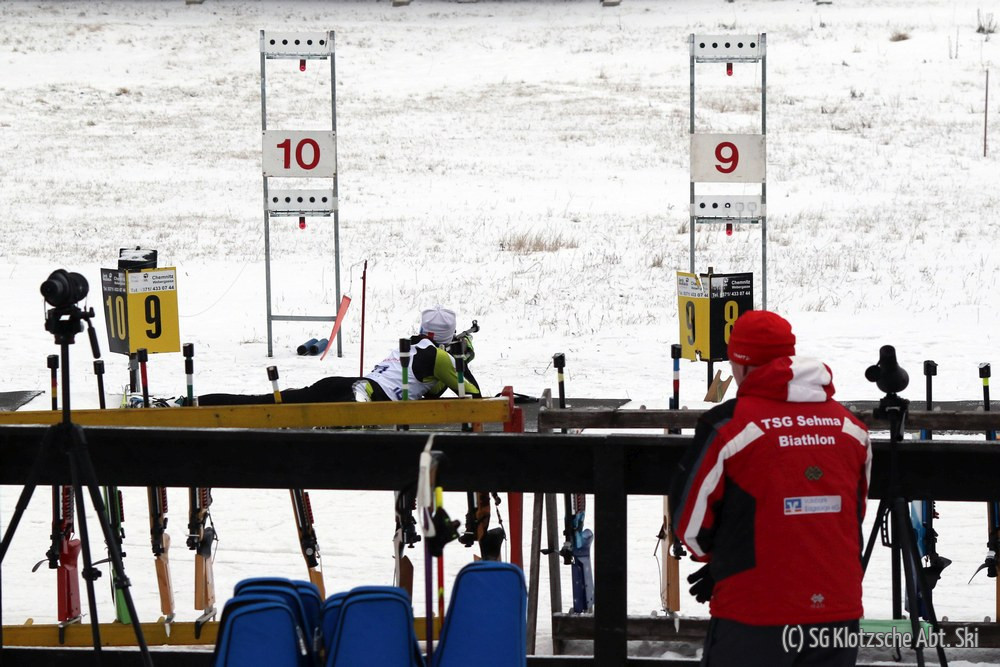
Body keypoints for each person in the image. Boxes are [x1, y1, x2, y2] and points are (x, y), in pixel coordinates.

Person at [669, 310, 871, 667]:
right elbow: (852, 514)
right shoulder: (850, 427)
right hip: (838, 612)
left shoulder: (728, 426)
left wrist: (724, 561)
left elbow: (690, 525)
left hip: (753, 613)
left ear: (742, 364)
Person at [195, 305, 480, 406]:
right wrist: (462, 361)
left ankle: (196, 402)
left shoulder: (411, 347)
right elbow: (472, 395)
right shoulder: (439, 358)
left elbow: (429, 391)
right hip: (365, 394)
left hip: (342, 382)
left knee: (269, 402)